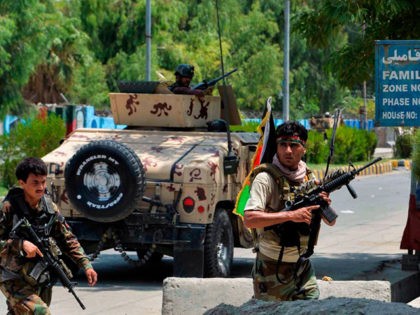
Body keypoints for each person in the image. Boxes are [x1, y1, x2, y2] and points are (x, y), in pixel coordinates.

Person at [243, 121, 335, 301]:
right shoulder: (265, 178)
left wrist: (323, 204)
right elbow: (250, 219)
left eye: (294, 145)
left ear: (304, 149)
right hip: (272, 267)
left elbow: (331, 222)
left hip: (302, 266)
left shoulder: (308, 177)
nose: (288, 151)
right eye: (282, 145)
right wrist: (291, 215)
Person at [0, 157, 97, 314]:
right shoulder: (8, 208)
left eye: (43, 182)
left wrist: (85, 264)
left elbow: (67, 238)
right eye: (35, 182)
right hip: (10, 275)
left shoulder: (49, 207)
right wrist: (20, 244)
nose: (41, 187)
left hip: (38, 275)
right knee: (40, 312)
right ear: (22, 183)